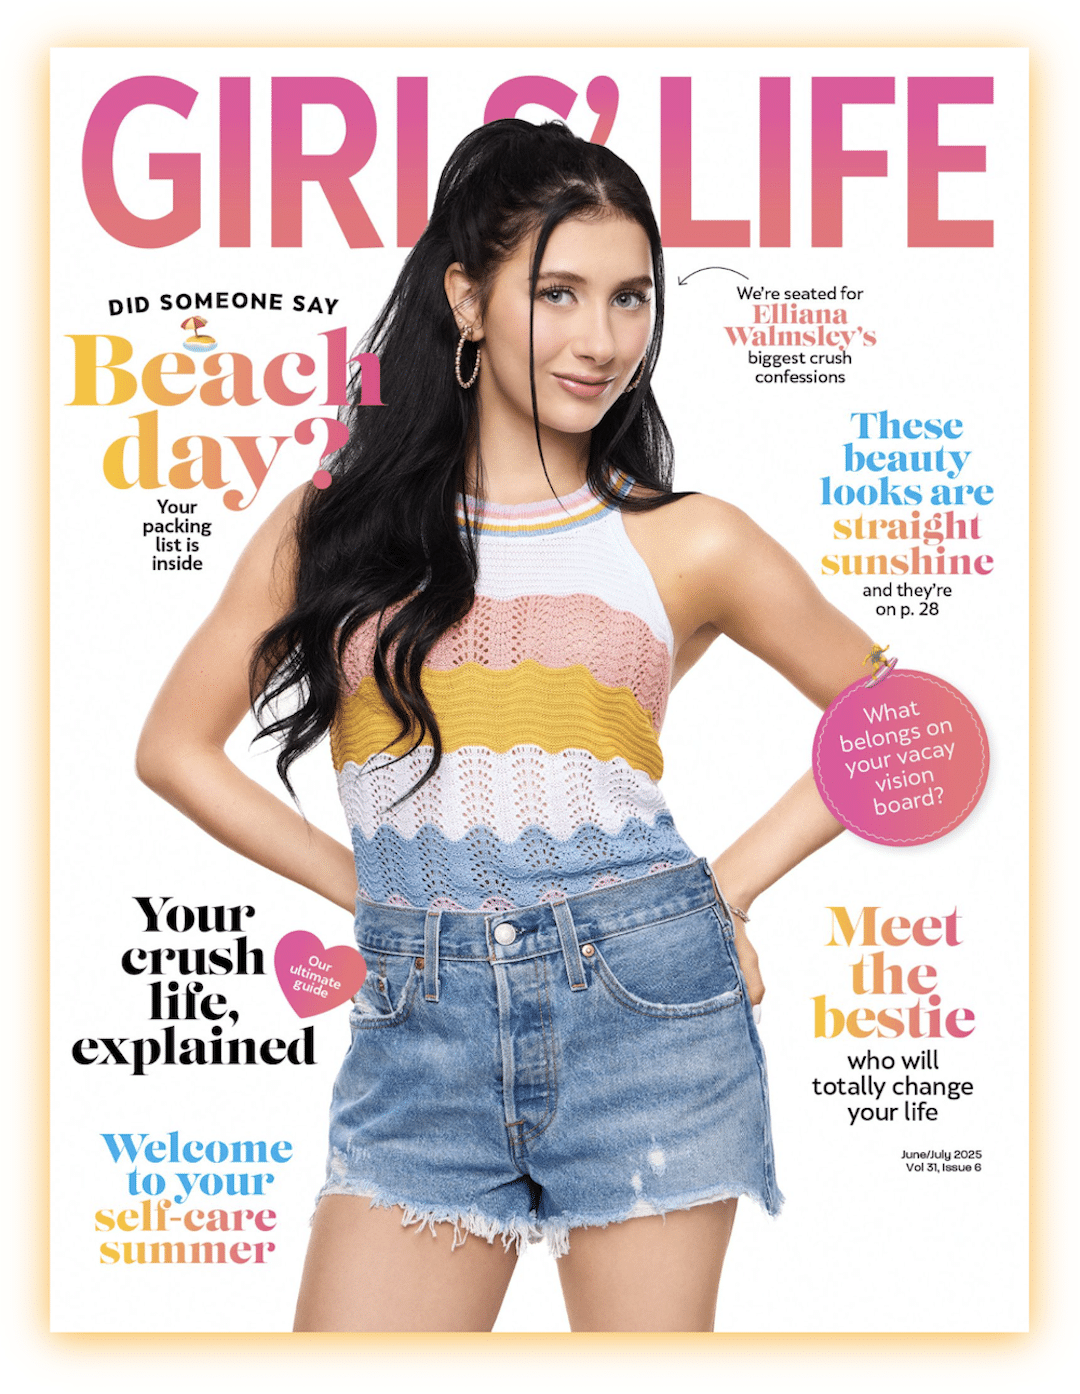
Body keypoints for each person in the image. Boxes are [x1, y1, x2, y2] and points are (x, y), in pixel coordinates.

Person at [137, 119, 872, 1333]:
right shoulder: (335, 528)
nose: (602, 340)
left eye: (630, 297)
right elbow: (172, 746)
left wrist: (721, 894)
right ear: (467, 299)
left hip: (646, 1018)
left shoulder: (689, 539)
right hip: (416, 1034)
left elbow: (908, 721)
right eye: (559, 292)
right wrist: (367, 892)